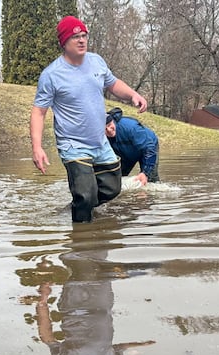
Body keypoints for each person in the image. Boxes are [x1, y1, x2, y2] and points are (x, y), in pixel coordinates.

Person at [30, 16, 148, 222]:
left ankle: (79, 207)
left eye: (84, 35)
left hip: (100, 142)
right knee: (85, 193)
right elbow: (39, 112)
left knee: (113, 187)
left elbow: (112, 84)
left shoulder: (96, 61)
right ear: (64, 42)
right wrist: (37, 147)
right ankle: (81, 243)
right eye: (75, 37)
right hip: (72, 145)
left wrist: (132, 95)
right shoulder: (51, 75)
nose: (81, 40)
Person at [105, 107, 160, 186]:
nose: (109, 130)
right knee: (116, 180)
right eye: (105, 129)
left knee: (150, 180)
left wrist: (145, 172)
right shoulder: (99, 137)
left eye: (110, 125)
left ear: (113, 121)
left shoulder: (131, 127)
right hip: (124, 154)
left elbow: (149, 149)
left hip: (147, 149)